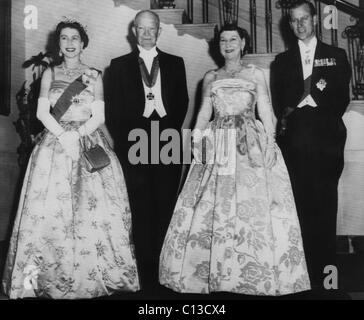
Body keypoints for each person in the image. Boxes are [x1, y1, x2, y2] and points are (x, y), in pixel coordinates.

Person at [159, 24, 310, 296]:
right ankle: (215, 271)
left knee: (252, 206)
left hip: (250, 143)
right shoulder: (211, 76)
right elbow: (204, 113)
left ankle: (254, 270)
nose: (227, 44)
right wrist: (197, 140)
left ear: (243, 43)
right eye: (223, 40)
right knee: (214, 205)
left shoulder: (255, 74)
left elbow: (266, 110)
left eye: (233, 39)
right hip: (218, 144)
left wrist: (270, 142)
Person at [2, 20, 139, 299]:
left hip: (88, 141)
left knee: (96, 211)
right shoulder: (50, 73)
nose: (69, 43)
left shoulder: (93, 76)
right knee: (49, 212)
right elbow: (42, 113)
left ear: (83, 42)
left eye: (75, 37)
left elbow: (99, 116)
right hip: (55, 144)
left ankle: (95, 275)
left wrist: (78, 135)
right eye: (64, 38)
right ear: (59, 43)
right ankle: (37, 280)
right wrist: (63, 135)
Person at [271, 0, 351, 290]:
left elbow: (341, 97)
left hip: (326, 142)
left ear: (315, 19)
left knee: (325, 208)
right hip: (295, 144)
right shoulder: (281, 61)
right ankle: (301, 276)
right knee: (300, 209)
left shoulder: (337, 55)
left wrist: (312, 101)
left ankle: (327, 277)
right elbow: (280, 103)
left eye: (304, 18)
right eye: (294, 21)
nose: (300, 24)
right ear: (289, 24)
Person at [107, 10, 189, 293]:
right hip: (133, 141)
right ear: (133, 31)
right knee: (139, 205)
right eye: (141, 28)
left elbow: (182, 102)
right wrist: (128, 139)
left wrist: (167, 129)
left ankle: (166, 269)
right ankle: (144, 272)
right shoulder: (117, 66)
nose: (146, 33)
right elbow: (112, 110)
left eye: (151, 28)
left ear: (158, 31)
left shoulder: (176, 63)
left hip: (167, 138)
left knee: (165, 202)